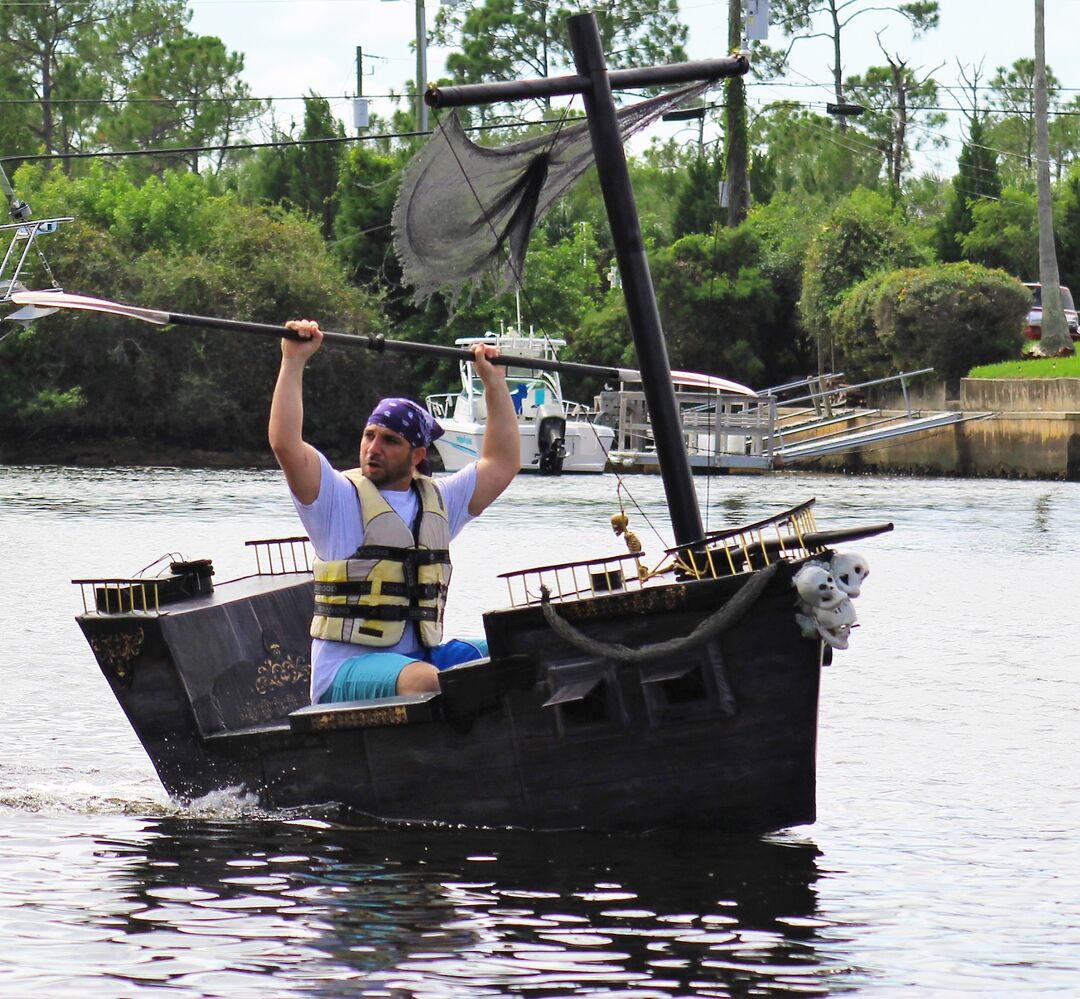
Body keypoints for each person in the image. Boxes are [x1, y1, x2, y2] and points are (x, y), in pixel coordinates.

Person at [268, 320, 520, 704]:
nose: (374, 448)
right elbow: (286, 444)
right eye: (370, 435)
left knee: (517, 648)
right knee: (427, 681)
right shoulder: (335, 498)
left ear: (418, 455)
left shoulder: (438, 501)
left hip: (418, 658)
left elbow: (501, 463)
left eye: (390, 441)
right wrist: (294, 360)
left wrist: (494, 382)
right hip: (344, 673)